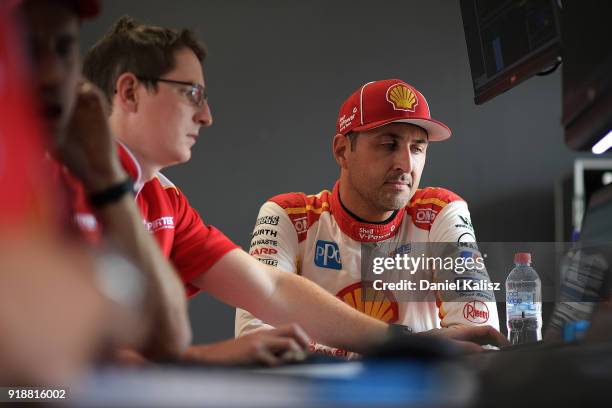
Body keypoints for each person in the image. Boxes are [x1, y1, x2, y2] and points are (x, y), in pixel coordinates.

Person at [82, 17, 507, 365]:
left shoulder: (164, 199)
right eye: (191, 94)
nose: (207, 115)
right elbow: (56, 360)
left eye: (417, 148)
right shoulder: (59, 181)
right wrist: (207, 358)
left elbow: (270, 290)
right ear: (130, 92)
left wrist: (407, 344)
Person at [236, 79, 500, 356]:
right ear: (342, 151)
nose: (406, 165)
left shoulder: (440, 211)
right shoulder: (288, 216)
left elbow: (478, 335)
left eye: (417, 148)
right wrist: (414, 346)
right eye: (388, 144)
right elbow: (257, 342)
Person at [20, 0, 192, 361]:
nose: (52, 75)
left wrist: (108, 180)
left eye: (65, 49)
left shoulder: (71, 177)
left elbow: (167, 335)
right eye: (25, 50)